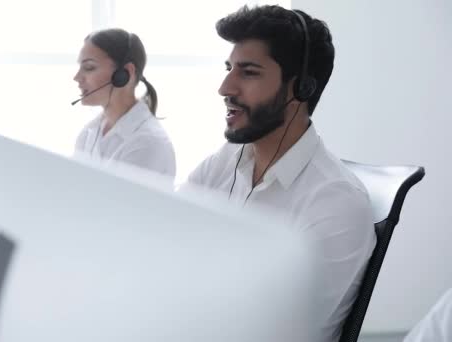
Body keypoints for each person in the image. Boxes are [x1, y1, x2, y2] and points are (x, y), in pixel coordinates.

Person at [179, 5, 376, 342]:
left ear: (301, 89)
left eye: (249, 72)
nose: (225, 87)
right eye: (229, 69)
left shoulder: (336, 202)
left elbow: (278, 333)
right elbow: (165, 238)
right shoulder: (228, 160)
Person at [72, 28, 176, 178]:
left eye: (89, 67)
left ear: (124, 73)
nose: (77, 77)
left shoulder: (148, 144)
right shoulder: (89, 132)